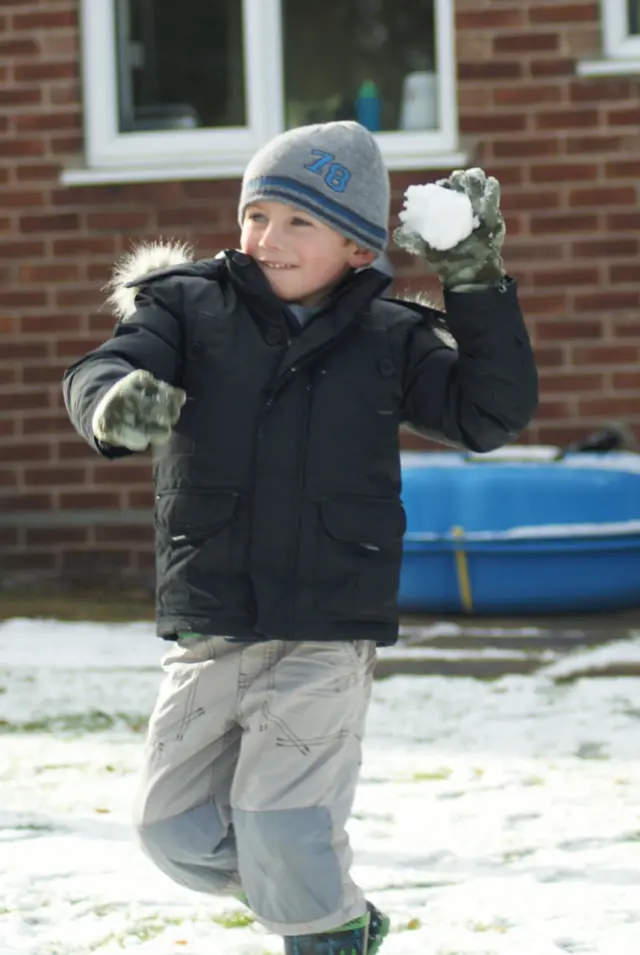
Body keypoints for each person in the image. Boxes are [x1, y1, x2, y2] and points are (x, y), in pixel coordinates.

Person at [63, 121, 538, 955]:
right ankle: (331, 904)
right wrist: (114, 399)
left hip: (326, 624)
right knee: (169, 829)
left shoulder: (392, 339)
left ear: (358, 248)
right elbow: (106, 362)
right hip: (213, 619)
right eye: (257, 214)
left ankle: (324, 934)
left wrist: (474, 278)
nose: (266, 239)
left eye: (298, 222)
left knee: (283, 826)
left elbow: (488, 412)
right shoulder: (185, 307)